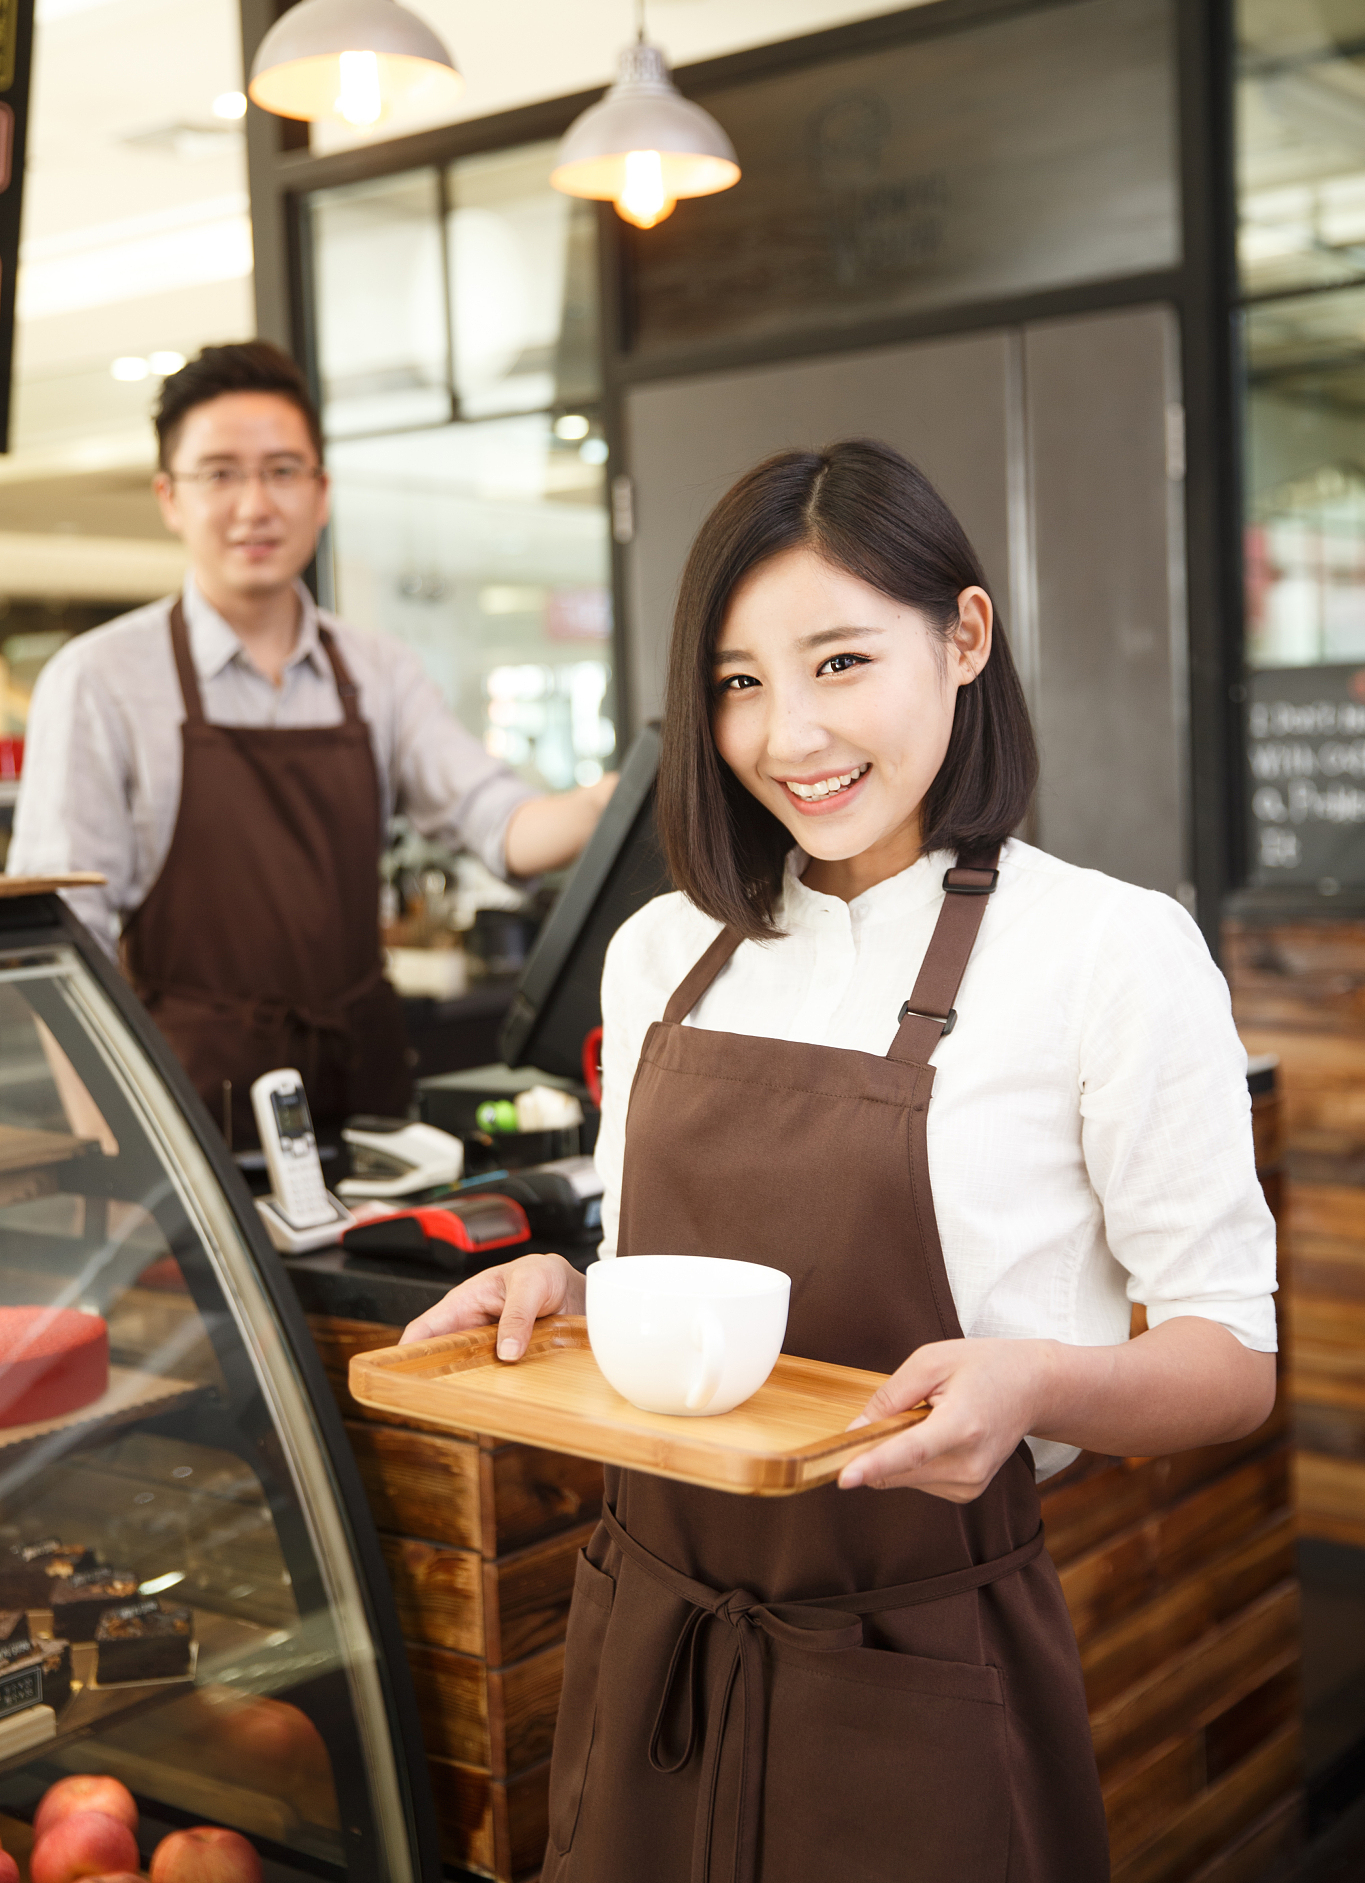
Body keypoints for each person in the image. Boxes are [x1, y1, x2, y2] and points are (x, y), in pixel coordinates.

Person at [402, 439, 1278, 1880]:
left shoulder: (1106, 953)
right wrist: (570, 1293)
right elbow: (653, 1269)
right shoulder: (662, 952)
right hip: (653, 1648)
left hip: (925, 1667)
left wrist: (1039, 1379)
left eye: (840, 662)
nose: (788, 735)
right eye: (739, 683)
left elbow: (1229, 1358)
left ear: (965, 637)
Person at [8, 341, 616, 1146]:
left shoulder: (377, 670)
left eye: (283, 470)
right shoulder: (100, 679)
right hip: (194, 1116)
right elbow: (66, 935)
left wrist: (627, 794)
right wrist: (114, 1147)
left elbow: (500, 822)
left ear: (321, 492)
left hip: (367, 1104)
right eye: (220, 473)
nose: (255, 505)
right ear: (169, 497)